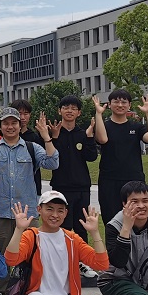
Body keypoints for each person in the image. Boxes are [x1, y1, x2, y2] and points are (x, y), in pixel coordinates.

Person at [5, 192, 109, 295]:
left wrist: (95, 232)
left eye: (60, 210)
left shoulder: (72, 239)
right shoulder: (31, 236)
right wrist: (19, 229)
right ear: (39, 209)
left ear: (66, 213)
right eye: (50, 209)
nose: (55, 214)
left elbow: (101, 264)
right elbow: (11, 259)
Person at [0, 107, 59, 295]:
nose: (10, 127)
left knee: (30, 254)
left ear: (20, 124)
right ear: (0, 126)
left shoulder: (32, 148)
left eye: (14, 123)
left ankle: (29, 291)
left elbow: (53, 163)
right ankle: (1, 292)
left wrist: (46, 137)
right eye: (6, 123)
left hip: (26, 213)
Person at [46, 95, 99, 279]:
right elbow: (49, 157)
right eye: (66, 107)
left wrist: (90, 137)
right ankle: (62, 262)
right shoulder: (53, 132)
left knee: (81, 226)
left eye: (73, 108)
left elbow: (91, 157)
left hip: (81, 187)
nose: (69, 111)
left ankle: (82, 262)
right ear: (59, 110)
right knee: (62, 226)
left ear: (79, 113)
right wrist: (53, 137)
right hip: (60, 187)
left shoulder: (83, 133)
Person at [94, 90, 148, 236]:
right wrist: (98, 114)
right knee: (111, 220)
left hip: (134, 180)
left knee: (137, 220)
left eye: (124, 102)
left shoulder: (136, 127)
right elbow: (102, 139)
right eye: (116, 101)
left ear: (129, 105)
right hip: (109, 181)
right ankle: (113, 250)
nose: (120, 105)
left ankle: (137, 249)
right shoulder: (104, 125)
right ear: (109, 104)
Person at [11, 99, 45, 196]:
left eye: (26, 114)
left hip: (32, 187)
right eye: (19, 113)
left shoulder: (35, 137)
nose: (22, 117)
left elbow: (46, 159)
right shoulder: (5, 137)